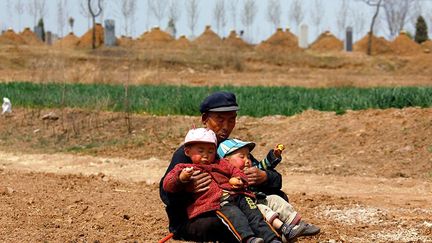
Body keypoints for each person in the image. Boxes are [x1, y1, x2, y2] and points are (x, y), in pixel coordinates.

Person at [159, 91, 288, 242]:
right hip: (199, 216)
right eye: (219, 120)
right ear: (205, 119)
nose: (226, 127)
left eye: (231, 120)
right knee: (217, 223)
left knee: (279, 197)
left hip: (237, 206)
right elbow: (165, 193)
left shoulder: (232, 149)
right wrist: (186, 185)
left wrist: (264, 177)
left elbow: (275, 179)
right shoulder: (188, 153)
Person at [163, 128, 282, 243]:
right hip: (219, 202)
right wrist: (181, 178)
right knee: (236, 216)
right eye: (201, 151)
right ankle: (248, 239)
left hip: (239, 196)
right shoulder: (183, 168)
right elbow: (168, 184)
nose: (206, 155)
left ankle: (272, 239)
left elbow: (236, 171)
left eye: (210, 151)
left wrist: (239, 179)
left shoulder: (221, 163)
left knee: (255, 215)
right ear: (187, 151)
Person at [218, 138, 321, 242]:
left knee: (275, 199)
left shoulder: (248, 170)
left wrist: (273, 157)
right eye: (242, 157)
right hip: (247, 207)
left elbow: (263, 166)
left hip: (258, 198)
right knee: (263, 210)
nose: (247, 160)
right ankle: (282, 231)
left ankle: (296, 225)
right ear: (225, 162)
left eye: (248, 156)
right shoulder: (224, 177)